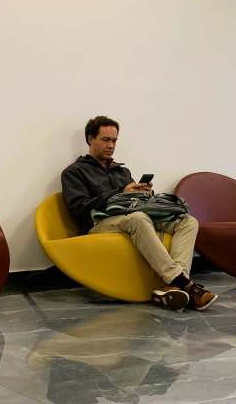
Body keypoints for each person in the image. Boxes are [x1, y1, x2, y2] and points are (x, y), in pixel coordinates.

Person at [61, 116, 217, 312]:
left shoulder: (122, 172)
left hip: (132, 217)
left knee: (187, 221)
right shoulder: (74, 172)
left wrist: (145, 193)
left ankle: (174, 287)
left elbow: (135, 203)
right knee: (138, 218)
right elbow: (79, 209)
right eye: (105, 140)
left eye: (114, 141)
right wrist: (119, 193)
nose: (111, 145)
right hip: (98, 224)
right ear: (90, 139)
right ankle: (184, 283)